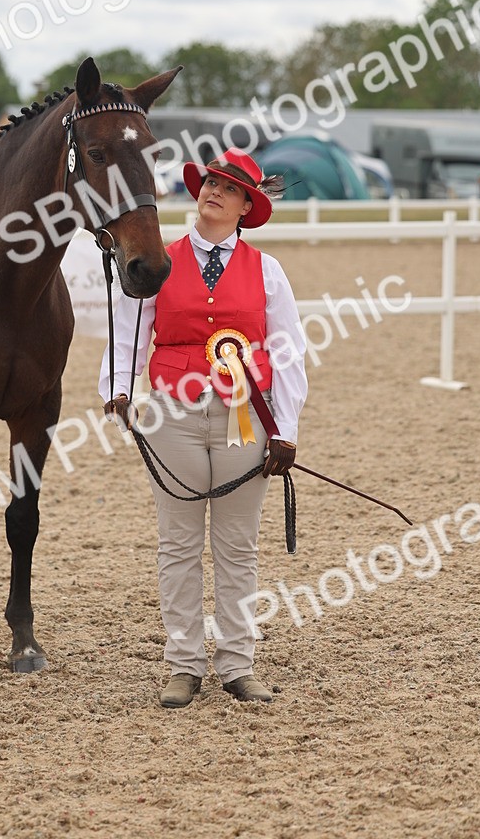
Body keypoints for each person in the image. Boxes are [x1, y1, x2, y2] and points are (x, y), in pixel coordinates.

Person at [100, 149, 307, 708]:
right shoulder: (159, 262)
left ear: (245, 207)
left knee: (237, 548)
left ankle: (238, 664)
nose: (213, 191)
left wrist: (284, 429)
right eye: (210, 182)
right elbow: (131, 332)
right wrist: (117, 390)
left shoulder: (267, 271)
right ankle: (183, 664)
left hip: (247, 420)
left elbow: (288, 352)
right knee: (179, 545)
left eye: (228, 188)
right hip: (173, 415)